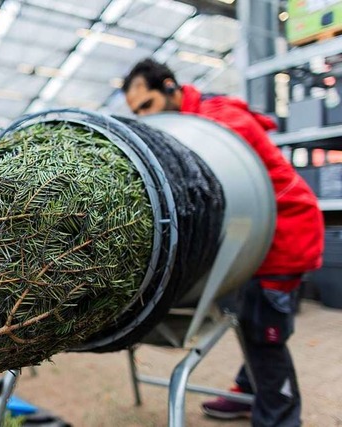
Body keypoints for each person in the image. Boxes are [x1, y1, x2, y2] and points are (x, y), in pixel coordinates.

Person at [122, 59, 324, 426]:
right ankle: (248, 392)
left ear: (170, 87)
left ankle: (278, 416)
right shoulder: (192, 123)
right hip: (250, 237)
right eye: (136, 112)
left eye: (147, 105)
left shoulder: (220, 122)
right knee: (250, 317)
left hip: (284, 234)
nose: (144, 117)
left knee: (266, 333)